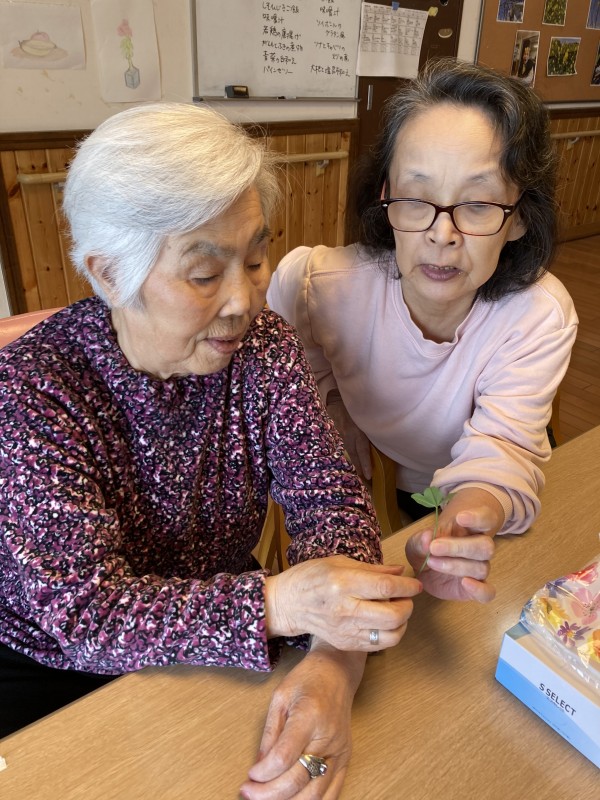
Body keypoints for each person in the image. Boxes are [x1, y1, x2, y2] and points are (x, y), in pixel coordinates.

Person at [0, 103, 423, 798]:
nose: (242, 301)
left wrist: (332, 663)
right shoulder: (33, 390)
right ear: (110, 274)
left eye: (255, 259)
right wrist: (280, 604)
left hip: (223, 634)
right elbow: (86, 615)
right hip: (52, 668)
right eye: (203, 274)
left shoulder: (263, 348)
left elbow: (329, 501)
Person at [267, 59, 578, 605]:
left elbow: (502, 446)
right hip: (382, 474)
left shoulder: (537, 315)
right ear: (386, 196)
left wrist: (464, 520)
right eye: (416, 198)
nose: (442, 234)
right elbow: (296, 363)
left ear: (520, 217)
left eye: (478, 204)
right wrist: (334, 405)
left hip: (484, 486)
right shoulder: (317, 285)